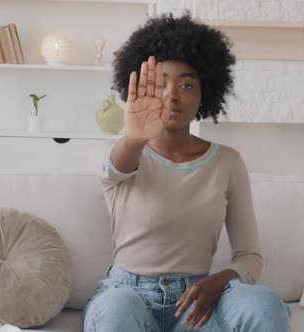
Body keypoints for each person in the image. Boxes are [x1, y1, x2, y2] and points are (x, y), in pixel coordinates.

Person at [83, 13, 291, 332]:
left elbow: (250, 257)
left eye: (187, 84)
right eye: (161, 83)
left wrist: (218, 282)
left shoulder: (228, 162)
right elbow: (115, 169)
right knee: (116, 309)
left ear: (204, 93)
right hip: (128, 297)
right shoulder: (127, 152)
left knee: (265, 304)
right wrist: (135, 138)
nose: (173, 95)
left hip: (197, 303)